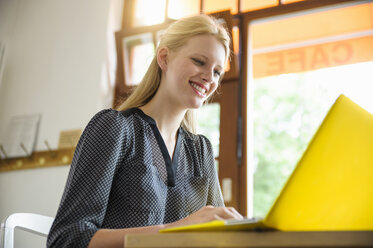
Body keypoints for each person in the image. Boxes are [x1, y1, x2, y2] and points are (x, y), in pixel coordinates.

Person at [47, 14, 243, 248]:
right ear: (164, 58)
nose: (209, 78)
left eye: (217, 72)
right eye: (199, 61)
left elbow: (219, 238)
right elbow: (67, 238)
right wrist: (177, 229)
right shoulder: (115, 129)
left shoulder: (201, 150)